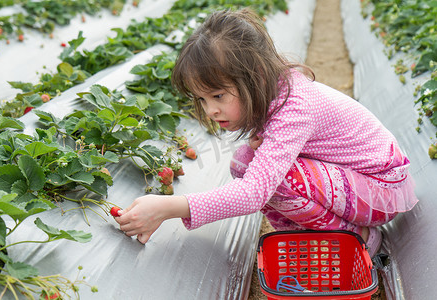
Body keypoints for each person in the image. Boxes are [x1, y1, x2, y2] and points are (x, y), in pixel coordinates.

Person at [114, 8, 419, 257]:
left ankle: (361, 238)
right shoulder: (273, 94)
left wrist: (169, 207)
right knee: (245, 163)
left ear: (255, 76)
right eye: (202, 99)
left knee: (277, 180)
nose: (210, 111)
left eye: (218, 96)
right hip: (356, 185)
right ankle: (306, 239)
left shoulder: (295, 106)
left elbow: (253, 194)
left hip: (383, 188)